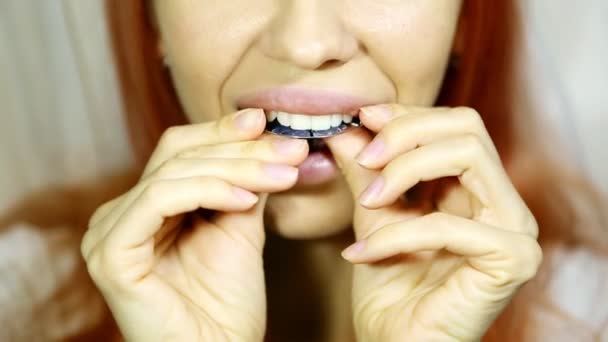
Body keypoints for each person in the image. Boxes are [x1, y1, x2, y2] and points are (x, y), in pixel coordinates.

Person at [82, 0, 608, 340]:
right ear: (153, 22)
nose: (306, 46)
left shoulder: (589, 319)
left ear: (464, 21)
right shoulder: (13, 295)